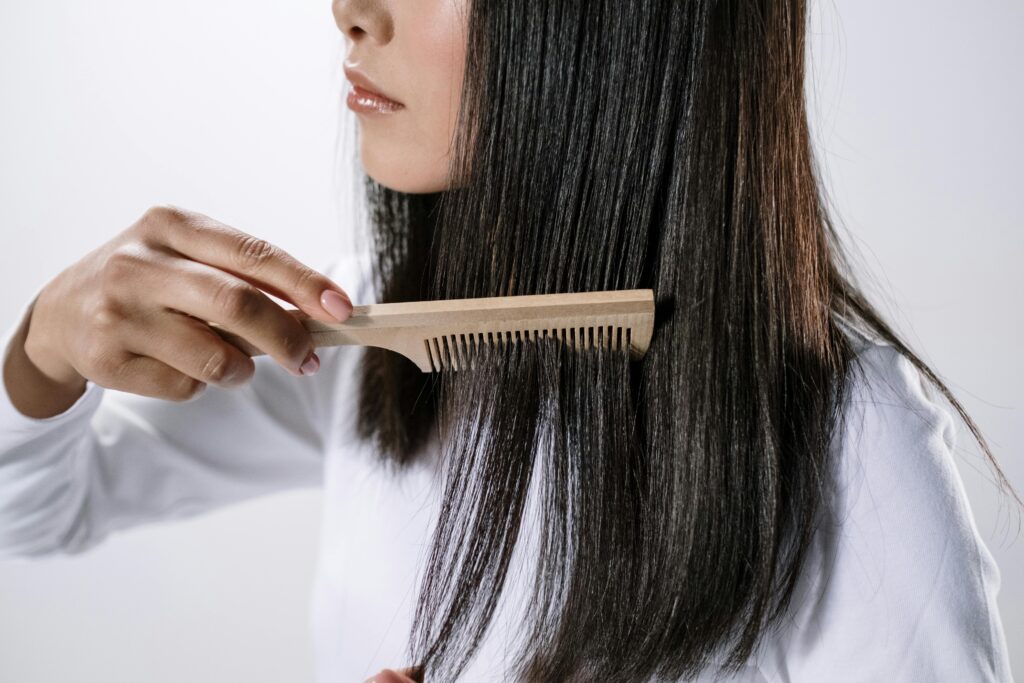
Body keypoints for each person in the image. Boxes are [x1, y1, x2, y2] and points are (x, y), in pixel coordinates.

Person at [0, 0, 1015, 681]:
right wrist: (42, 350)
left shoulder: (844, 435)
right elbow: (39, 511)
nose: (351, 7)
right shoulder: (361, 346)